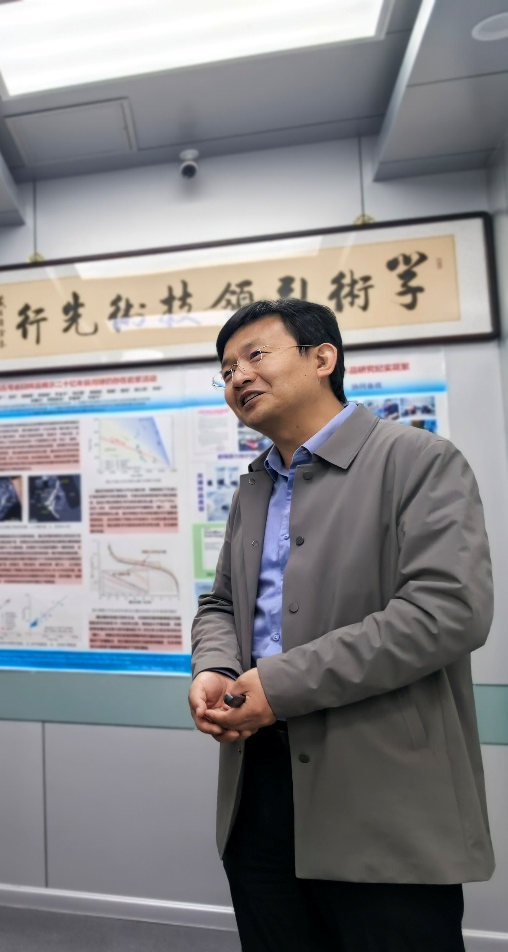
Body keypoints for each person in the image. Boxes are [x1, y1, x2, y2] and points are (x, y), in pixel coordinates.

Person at [188, 298, 494, 951]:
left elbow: (447, 611)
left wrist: (278, 685)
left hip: (381, 789)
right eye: (226, 369)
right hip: (257, 779)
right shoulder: (254, 487)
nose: (237, 377)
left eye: (254, 355)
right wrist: (213, 666)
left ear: (322, 357)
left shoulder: (417, 460)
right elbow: (220, 604)